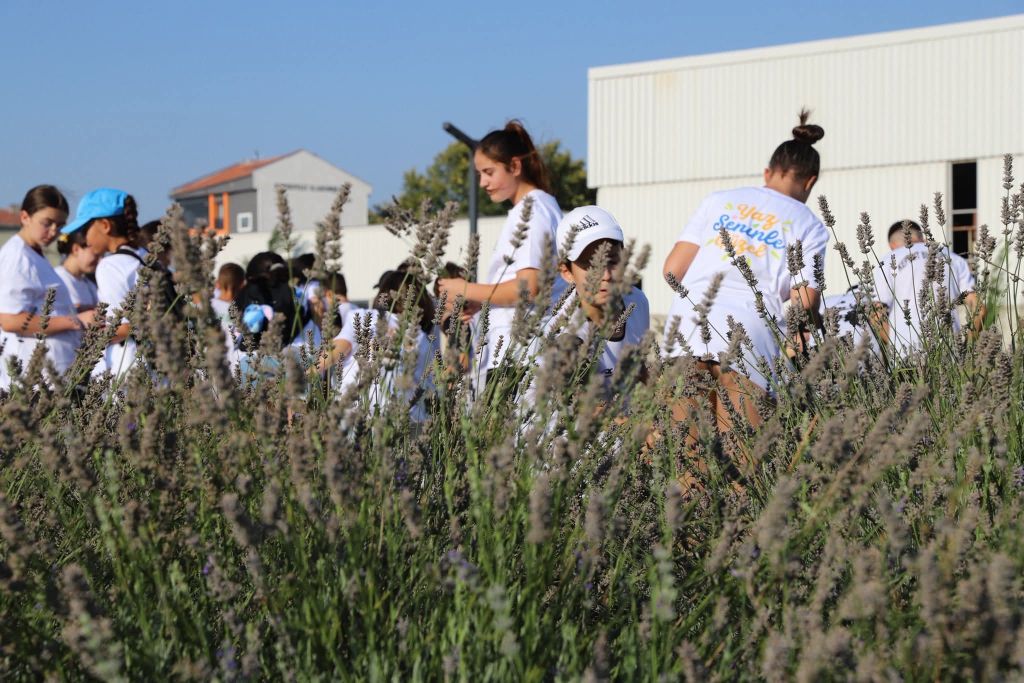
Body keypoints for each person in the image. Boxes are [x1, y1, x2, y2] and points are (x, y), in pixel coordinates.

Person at [662, 110, 829, 434]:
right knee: (741, 459)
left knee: (683, 454)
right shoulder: (810, 224)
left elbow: (672, 271)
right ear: (810, 181)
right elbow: (804, 301)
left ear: (768, 172)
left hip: (688, 325)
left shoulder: (718, 201)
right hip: (751, 334)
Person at [436, 120, 566, 390]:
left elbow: (529, 287)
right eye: (479, 174)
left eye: (489, 172)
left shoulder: (531, 211)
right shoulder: (541, 206)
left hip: (520, 354)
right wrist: (483, 300)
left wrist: (465, 289)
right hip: (524, 351)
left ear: (515, 167)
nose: (483, 182)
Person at [541, 206, 650, 400]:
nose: (605, 275)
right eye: (590, 265)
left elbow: (638, 367)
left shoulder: (637, 301)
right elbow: (590, 412)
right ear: (566, 272)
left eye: (612, 260)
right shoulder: (564, 334)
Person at [0, 185, 85, 389]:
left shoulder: (35, 254)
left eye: (60, 225)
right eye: (47, 223)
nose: (54, 231)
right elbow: (9, 320)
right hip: (34, 382)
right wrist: (73, 321)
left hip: (51, 377)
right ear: (25, 217)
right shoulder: (17, 257)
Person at [322, 269, 436, 419]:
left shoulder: (363, 316)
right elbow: (432, 391)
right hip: (403, 423)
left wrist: (307, 372)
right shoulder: (423, 340)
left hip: (353, 416)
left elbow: (334, 352)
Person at [62, 188, 143, 378]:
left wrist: (89, 335)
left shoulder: (110, 265)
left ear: (105, 225)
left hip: (125, 366)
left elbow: (121, 327)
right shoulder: (145, 255)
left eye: (85, 229)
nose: (86, 238)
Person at [872, 220, 982, 355]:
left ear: (892, 245)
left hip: (907, 356)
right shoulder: (953, 258)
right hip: (950, 350)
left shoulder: (887, 261)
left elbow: (876, 315)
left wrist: (896, 345)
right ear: (922, 238)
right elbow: (979, 309)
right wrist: (967, 346)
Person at [55, 226, 100, 313]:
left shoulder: (88, 283)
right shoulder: (58, 277)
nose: (99, 260)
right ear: (76, 249)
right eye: (95, 254)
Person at [211, 262, 245, 367]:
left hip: (207, 364)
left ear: (218, 282)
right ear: (241, 284)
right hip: (232, 366)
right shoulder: (241, 309)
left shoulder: (208, 305)